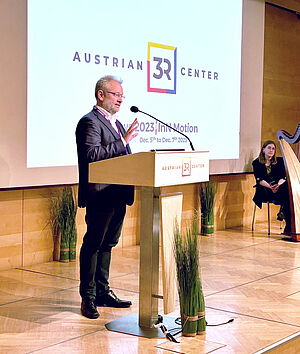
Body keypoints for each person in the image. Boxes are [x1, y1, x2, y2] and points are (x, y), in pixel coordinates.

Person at [76, 75, 138, 319]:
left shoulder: (117, 123)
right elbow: (92, 155)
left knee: (108, 244)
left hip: (117, 194)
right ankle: (88, 297)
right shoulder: (88, 123)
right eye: (116, 94)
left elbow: (122, 155)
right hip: (100, 195)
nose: (121, 99)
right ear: (100, 95)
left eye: (122, 95)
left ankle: (103, 291)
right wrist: (123, 142)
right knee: (93, 244)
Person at [252, 140, 291, 234]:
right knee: (287, 197)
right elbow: (259, 180)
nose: (271, 150)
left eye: (273, 148)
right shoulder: (256, 163)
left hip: (278, 189)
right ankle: (287, 226)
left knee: (288, 192)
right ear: (263, 150)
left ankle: (288, 225)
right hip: (265, 190)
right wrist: (271, 187)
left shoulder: (280, 161)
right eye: (269, 148)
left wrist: (278, 184)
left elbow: (283, 177)